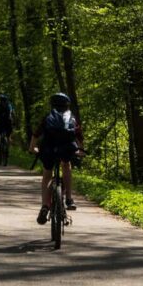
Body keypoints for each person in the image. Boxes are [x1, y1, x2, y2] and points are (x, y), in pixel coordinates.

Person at [29, 93, 84, 225]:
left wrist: (32, 148)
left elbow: (36, 134)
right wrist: (80, 150)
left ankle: (44, 206)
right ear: (67, 105)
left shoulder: (48, 117)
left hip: (49, 149)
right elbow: (79, 135)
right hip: (66, 149)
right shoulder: (71, 118)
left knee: (47, 175)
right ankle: (69, 199)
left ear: (52, 104)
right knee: (66, 165)